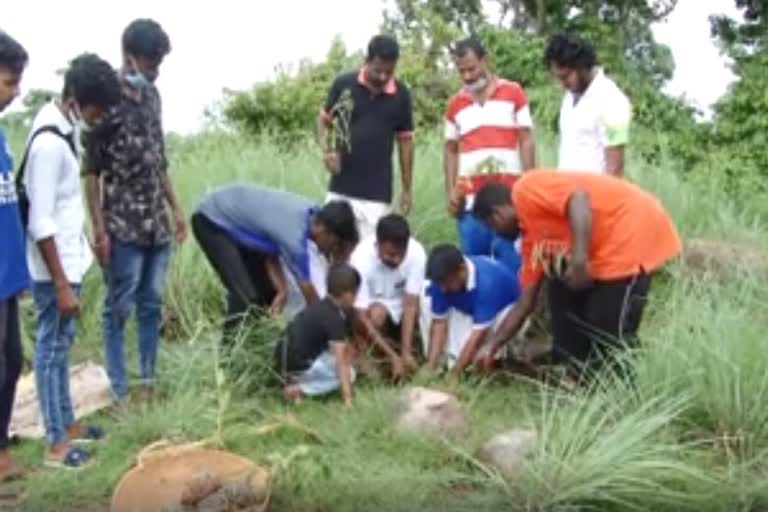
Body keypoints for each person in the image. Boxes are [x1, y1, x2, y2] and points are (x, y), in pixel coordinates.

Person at [471, 171, 682, 379]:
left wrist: (580, 260)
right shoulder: (531, 240)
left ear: (497, 214)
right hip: (602, 249)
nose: (497, 233)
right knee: (559, 289)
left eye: (492, 226)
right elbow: (525, 302)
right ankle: (575, 373)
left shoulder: (526, 189)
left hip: (630, 228)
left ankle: (625, 392)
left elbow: (578, 198)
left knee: (610, 334)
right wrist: (492, 346)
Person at [23, 54, 121, 468]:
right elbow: (40, 220)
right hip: (52, 270)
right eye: (98, 107)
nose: (99, 117)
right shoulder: (48, 144)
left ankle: (68, 423)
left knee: (61, 348)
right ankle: (56, 443)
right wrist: (61, 284)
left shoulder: (65, 133)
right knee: (49, 352)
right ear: (79, 99)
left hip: (66, 262)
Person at [83, 19, 186, 404]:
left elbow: (160, 159)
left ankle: (147, 382)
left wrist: (175, 209)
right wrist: (99, 229)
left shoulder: (154, 97)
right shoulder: (104, 98)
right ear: (129, 57)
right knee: (118, 307)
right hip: (122, 224)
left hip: (155, 224)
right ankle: (120, 389)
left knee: (151, 304)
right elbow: (91, 172)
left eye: (158, 64)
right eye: (149, 63)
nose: (154, 71)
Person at [191, 184, 359, 343]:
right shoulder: (294, 237)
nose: (331, 251)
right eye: (335, 244)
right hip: (211, 218)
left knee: (265, 293)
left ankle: (250, 347)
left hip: (237, 226)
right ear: (324, 232)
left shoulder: (312, 212)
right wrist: (333, 333)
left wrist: (282, 289)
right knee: (244, 296)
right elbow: (310, 297)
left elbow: (271, 247)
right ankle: (227, 361)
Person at [444, 36, 535, 272]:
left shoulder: (513, 92)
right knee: (476, 270)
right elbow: (451, 150)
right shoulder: (455, 104)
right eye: (461, 71)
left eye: (472, 68)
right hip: (471, 204)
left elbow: (526, 139)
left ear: (485, 61)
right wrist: (451, 192)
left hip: (508, 202)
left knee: (512, 267)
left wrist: (530, 184)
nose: (467, 76)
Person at [317, 34, 414, 239]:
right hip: (340, 188)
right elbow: (324, 120)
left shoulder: (401, 95)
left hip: (376, 195)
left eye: (389, 72)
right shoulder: (343, 84)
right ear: (366, 61)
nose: (383, 77)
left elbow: (405, 143)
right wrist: (326, 151)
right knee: (328, 243)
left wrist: (407, 189)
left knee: (367, 253)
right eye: (378, 70)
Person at [421, 244, 521, 374]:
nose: (442, 289)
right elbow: (439, 323)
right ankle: (441, 367)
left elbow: (477, 335)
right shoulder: (442, 279)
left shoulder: (487, 283)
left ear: (462, 270)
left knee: (481, 356)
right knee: (425, 297)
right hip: (469, 307)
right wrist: (430, 366)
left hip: (504, 311)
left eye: (447, 283)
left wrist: (455, 375)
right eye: (440, 284)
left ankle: (492, 370)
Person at [0, 30, 28, 482]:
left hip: (7, 273)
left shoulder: (2, 133)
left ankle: (2, 442)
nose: (17, 90)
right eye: (9, 81)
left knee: (12, 358)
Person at [544, 32, 632, 177]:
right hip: (567, 192)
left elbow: (615, 167)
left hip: (595, 195)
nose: (562, 84)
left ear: (581, 66)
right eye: (558, 78)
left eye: (565, 76)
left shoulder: (612, 100)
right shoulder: (569, 97)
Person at [349, 213, 426, 375]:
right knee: (377, 315)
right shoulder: (360, 259)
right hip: (374, 309)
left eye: (401, 254)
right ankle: (379, 356)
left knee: (422, 305)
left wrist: (406, 353)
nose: (397, 260)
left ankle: (409, 350)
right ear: (377, 245)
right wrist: (392, 356)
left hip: (401, 304)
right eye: (390, 255)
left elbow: (410, 304)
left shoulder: (417, 253)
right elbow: (360, 316)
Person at [274, 264, 360, 406]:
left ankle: (294, 382)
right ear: (347, 294)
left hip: (281, 362)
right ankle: (298, 389)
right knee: (350, 373)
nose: (355, 299)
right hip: (298, 366)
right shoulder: (335, 318)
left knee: (334, 358)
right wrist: (348, 399)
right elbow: (341, 362)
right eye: (355, 294)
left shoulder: (318, 307)